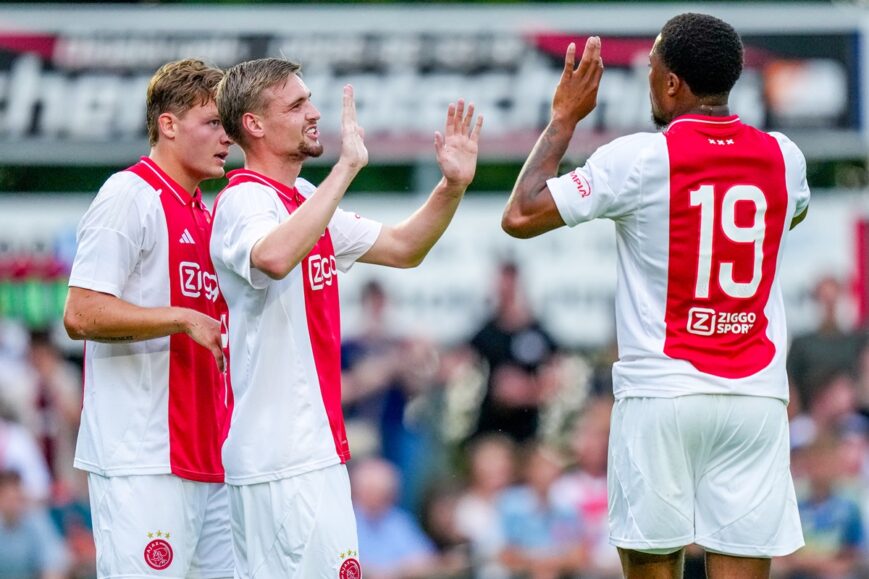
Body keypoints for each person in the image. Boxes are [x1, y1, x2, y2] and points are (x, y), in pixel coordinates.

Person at [502, 13, 810, 579]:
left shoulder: (639, 158)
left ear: (672, 84)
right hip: (754, 397)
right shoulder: (784, 157)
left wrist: (564, 119)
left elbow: (521, 214)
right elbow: (792, 214)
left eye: (651, 69)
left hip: (661, 394)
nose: (648, 78)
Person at [211, 57, 482, 577]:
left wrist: (451, 187)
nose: (314, 113)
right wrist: (346, 167)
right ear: (254, 125)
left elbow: (404, 247)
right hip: (279, 461)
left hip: (312, 455)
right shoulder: (245, 199)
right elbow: (271, 256)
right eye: (296, 104)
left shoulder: (303, 198)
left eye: (309, 100)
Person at [63, 59, 234, 577]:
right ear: (168, 124)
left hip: (212, 456)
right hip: (142, 457)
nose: (226, 137)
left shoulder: (207, 212)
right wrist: (182, 318)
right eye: (212, 123)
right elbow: (81, 312)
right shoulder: (128, 194)